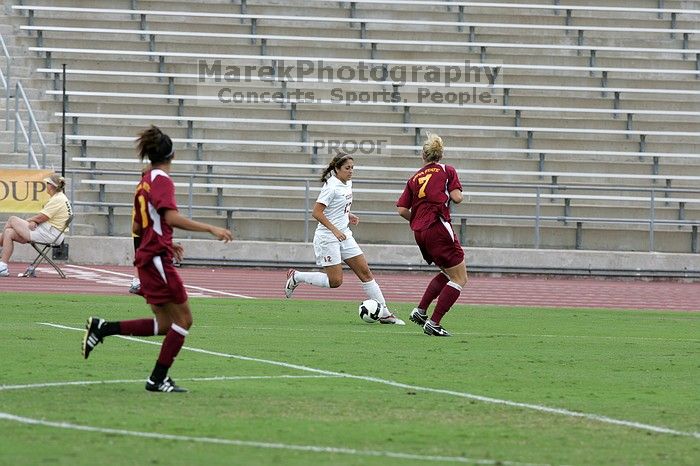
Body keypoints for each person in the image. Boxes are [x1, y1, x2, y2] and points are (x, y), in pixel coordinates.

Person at [82, 125, 233, 392]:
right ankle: (157, 378)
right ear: (172, 155)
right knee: (183, 321)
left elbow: (145, 223)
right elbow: (170, 217)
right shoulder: (162, 179)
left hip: (151, 253)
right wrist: (211, 228)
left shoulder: (146, 179)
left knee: (166, 324)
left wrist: (165, 240)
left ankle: (103, 328)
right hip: (156, 258)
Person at [285, 152, 404, 325]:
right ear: (337, 169)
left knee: (365, 273)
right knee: (335, 282)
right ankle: (297, 277)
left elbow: (337, 208)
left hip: (344, 234)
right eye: (347, 168)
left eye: (352, 168)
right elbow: (316, 212)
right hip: (328, 237)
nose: (351, 171)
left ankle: (385, 313)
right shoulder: (331, 186)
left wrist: (348, 215)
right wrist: (334, 230)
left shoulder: (347, 183)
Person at [396, 133, 467, 336]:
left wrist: (417, 219)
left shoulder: (414, 178)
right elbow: (457, 198)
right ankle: (434, 322)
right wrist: (459, 193)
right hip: (437, 226)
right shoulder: (447, 170)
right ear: (441, 154)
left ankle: (420, 312)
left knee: (448, 272)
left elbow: (401, 209)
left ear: (423, 155)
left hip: (420, 232)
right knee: (460, 278)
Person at [0, 174, 72, 277]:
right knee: (9, 232)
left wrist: (31, 221)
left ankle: (1, 246)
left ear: (51, 186)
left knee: (12, 220)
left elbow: (41, 217)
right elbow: (43, 218)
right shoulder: (59, 197)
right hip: (49, 231)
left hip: (51, 234)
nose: (46, 185)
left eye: (47, 183)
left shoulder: (57, 199)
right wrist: (34, 222)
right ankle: (2, 266)